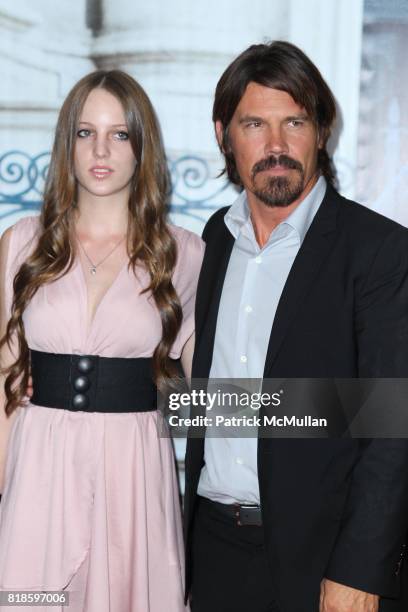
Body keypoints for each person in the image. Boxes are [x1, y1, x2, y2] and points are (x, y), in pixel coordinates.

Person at [184, 41, 408, 612]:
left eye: (295, 122)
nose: (276, 145)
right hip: (211, 551)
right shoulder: (213, 238)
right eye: (254, 123)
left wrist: (361, 569)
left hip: (323, 564)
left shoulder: (377, 250)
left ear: (322, 130)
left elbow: (391, 424)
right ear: (224, 135)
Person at [0, 69, 204, 612]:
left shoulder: (185, 255)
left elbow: (201, 391)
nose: (101, 149)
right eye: (86, 132)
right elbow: (5, 379)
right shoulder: (22, 243)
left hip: (134, 475)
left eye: (120, 134)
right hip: (38, 471)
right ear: (67, 143)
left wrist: (320, 413)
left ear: (142, 148)